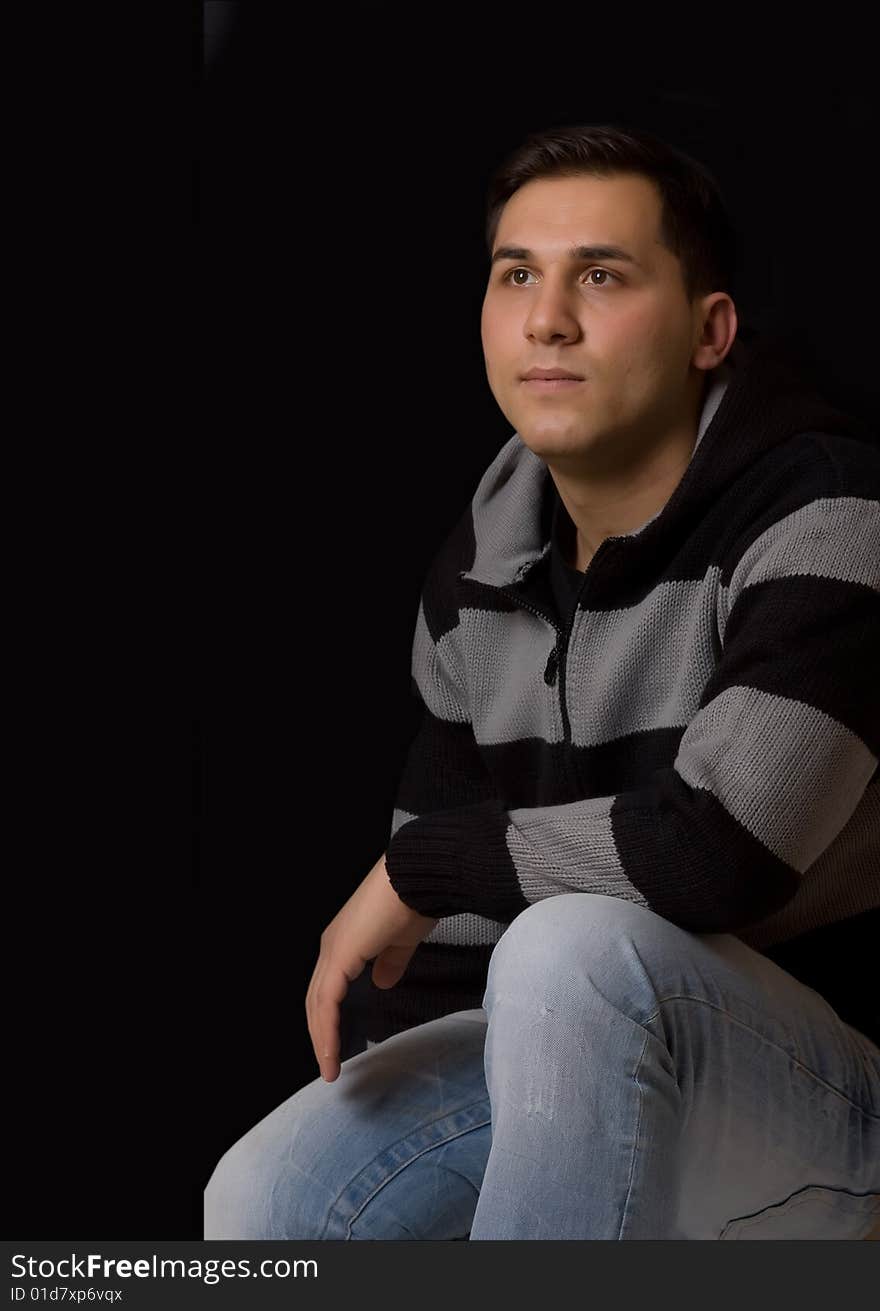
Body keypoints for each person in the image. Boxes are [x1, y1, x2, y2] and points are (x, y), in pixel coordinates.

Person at [204, 122, 880, 1240]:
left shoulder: (830, 517)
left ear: (710, 331)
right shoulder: (484, 560)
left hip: (838, 1100)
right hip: (600, 1059)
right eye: (516, 273)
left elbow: (715, 855)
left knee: (570, 950)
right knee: (269, 1194)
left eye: (600, 276)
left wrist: (421, 867)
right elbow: (445, 949)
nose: (546, 318)